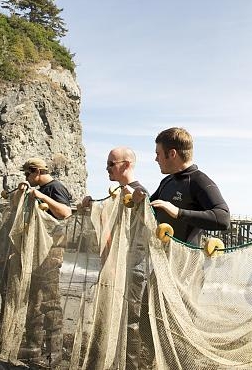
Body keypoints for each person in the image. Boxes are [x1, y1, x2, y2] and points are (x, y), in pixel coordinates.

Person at [135, 127, 231, 367]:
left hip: (186, 272)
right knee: (148, 325)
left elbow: (223, 218)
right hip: (163, 266)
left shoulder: (199, 181)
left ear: (172, 153)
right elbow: (153, 206)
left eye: (158, 153)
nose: (155, 158)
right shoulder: (167, 181)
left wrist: (179, 211)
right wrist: (140, 201)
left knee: (179, 333)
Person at [79, 147, 149, 370]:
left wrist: (139, 201)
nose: (107, 168)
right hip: (118, 268)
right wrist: (92, 207)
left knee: (130, 323)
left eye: (111, 164)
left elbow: (145, 234)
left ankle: (130, 366)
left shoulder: (139, 193)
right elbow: (112, 230)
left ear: (126, 165)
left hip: (135, 269)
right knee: (114, 321)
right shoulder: (119, 194)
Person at [20, 157, 72, 366]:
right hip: (37, 251)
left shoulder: (55, 187)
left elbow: (65, 212)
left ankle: (54, 353)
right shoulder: (41, 187)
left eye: (27, 174)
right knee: (34, 300)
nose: (26, 177)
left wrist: (40, 195)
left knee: (50, 302)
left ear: (36, 172)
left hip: (51, 252)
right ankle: (33, 346)